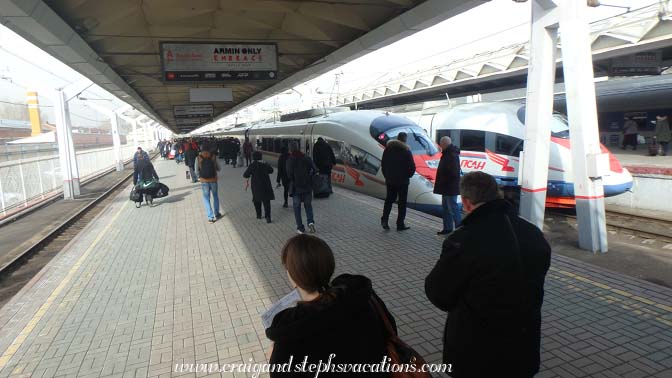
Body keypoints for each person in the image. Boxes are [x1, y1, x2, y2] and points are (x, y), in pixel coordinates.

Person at [425, 172, 551, 378]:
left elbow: (439, 294)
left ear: (466, 203)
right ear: (497, 195)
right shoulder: (534, 234)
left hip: (476, 353)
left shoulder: (463, 241)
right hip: (523, 345)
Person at [265, 234, 392, 378]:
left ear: (294, 277)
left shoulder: (289, 333)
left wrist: (272, 358)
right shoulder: (362, 297)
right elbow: (390, 332)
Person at [380, 132, 415, 231]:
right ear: (405, 140)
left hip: (390, 180)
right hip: (402, 182)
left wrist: (387, 176)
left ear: (397, 138)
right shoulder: (406, 151)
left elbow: (383, 164)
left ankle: (385, 220)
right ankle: (400, 224)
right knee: (402, 203)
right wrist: (407, 176)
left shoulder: (388, 149)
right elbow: (412, 167)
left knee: (389, 201)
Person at [287, 142, 318, 234]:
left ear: (290, 149)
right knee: (308, 206)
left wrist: (294, 180)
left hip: (296, 188)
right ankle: (311, 223)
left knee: (297, 208)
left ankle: (300, 228)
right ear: (298, 148)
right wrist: (309, 177)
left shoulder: (290, 159)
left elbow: (289, 174)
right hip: (307, 187)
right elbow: (315, 169)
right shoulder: (306, 157)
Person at [434, 136, 461, 235]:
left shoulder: (451, 155)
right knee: (446, 208)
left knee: (453, 208)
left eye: (441, 145)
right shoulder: (448, 154)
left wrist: (444, 179)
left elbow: (452, 172)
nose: (440, 146)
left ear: (443, 144)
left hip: (450, 187)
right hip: (447, 187)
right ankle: (447, 228)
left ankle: (459, 229)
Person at [243, 151, 275, 223]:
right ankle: (268, 217)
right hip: (266, 185)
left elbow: (245, 175)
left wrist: (250, 174)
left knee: (257, 200)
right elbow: (271, 171)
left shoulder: (252, 165)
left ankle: (259, 215)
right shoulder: (264, 164)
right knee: (266, 201)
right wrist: (267, 164)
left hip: (256, 186)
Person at [196, 144, 222, 223]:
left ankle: (210, 217)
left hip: (204, 181)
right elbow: (219, 168)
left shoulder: (198, 158)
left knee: (206, 199)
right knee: (215, 197)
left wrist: (200, 177)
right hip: (213, 180)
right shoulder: (213, 156)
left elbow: (196, 171)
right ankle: (217, 213)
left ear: (201, 149)